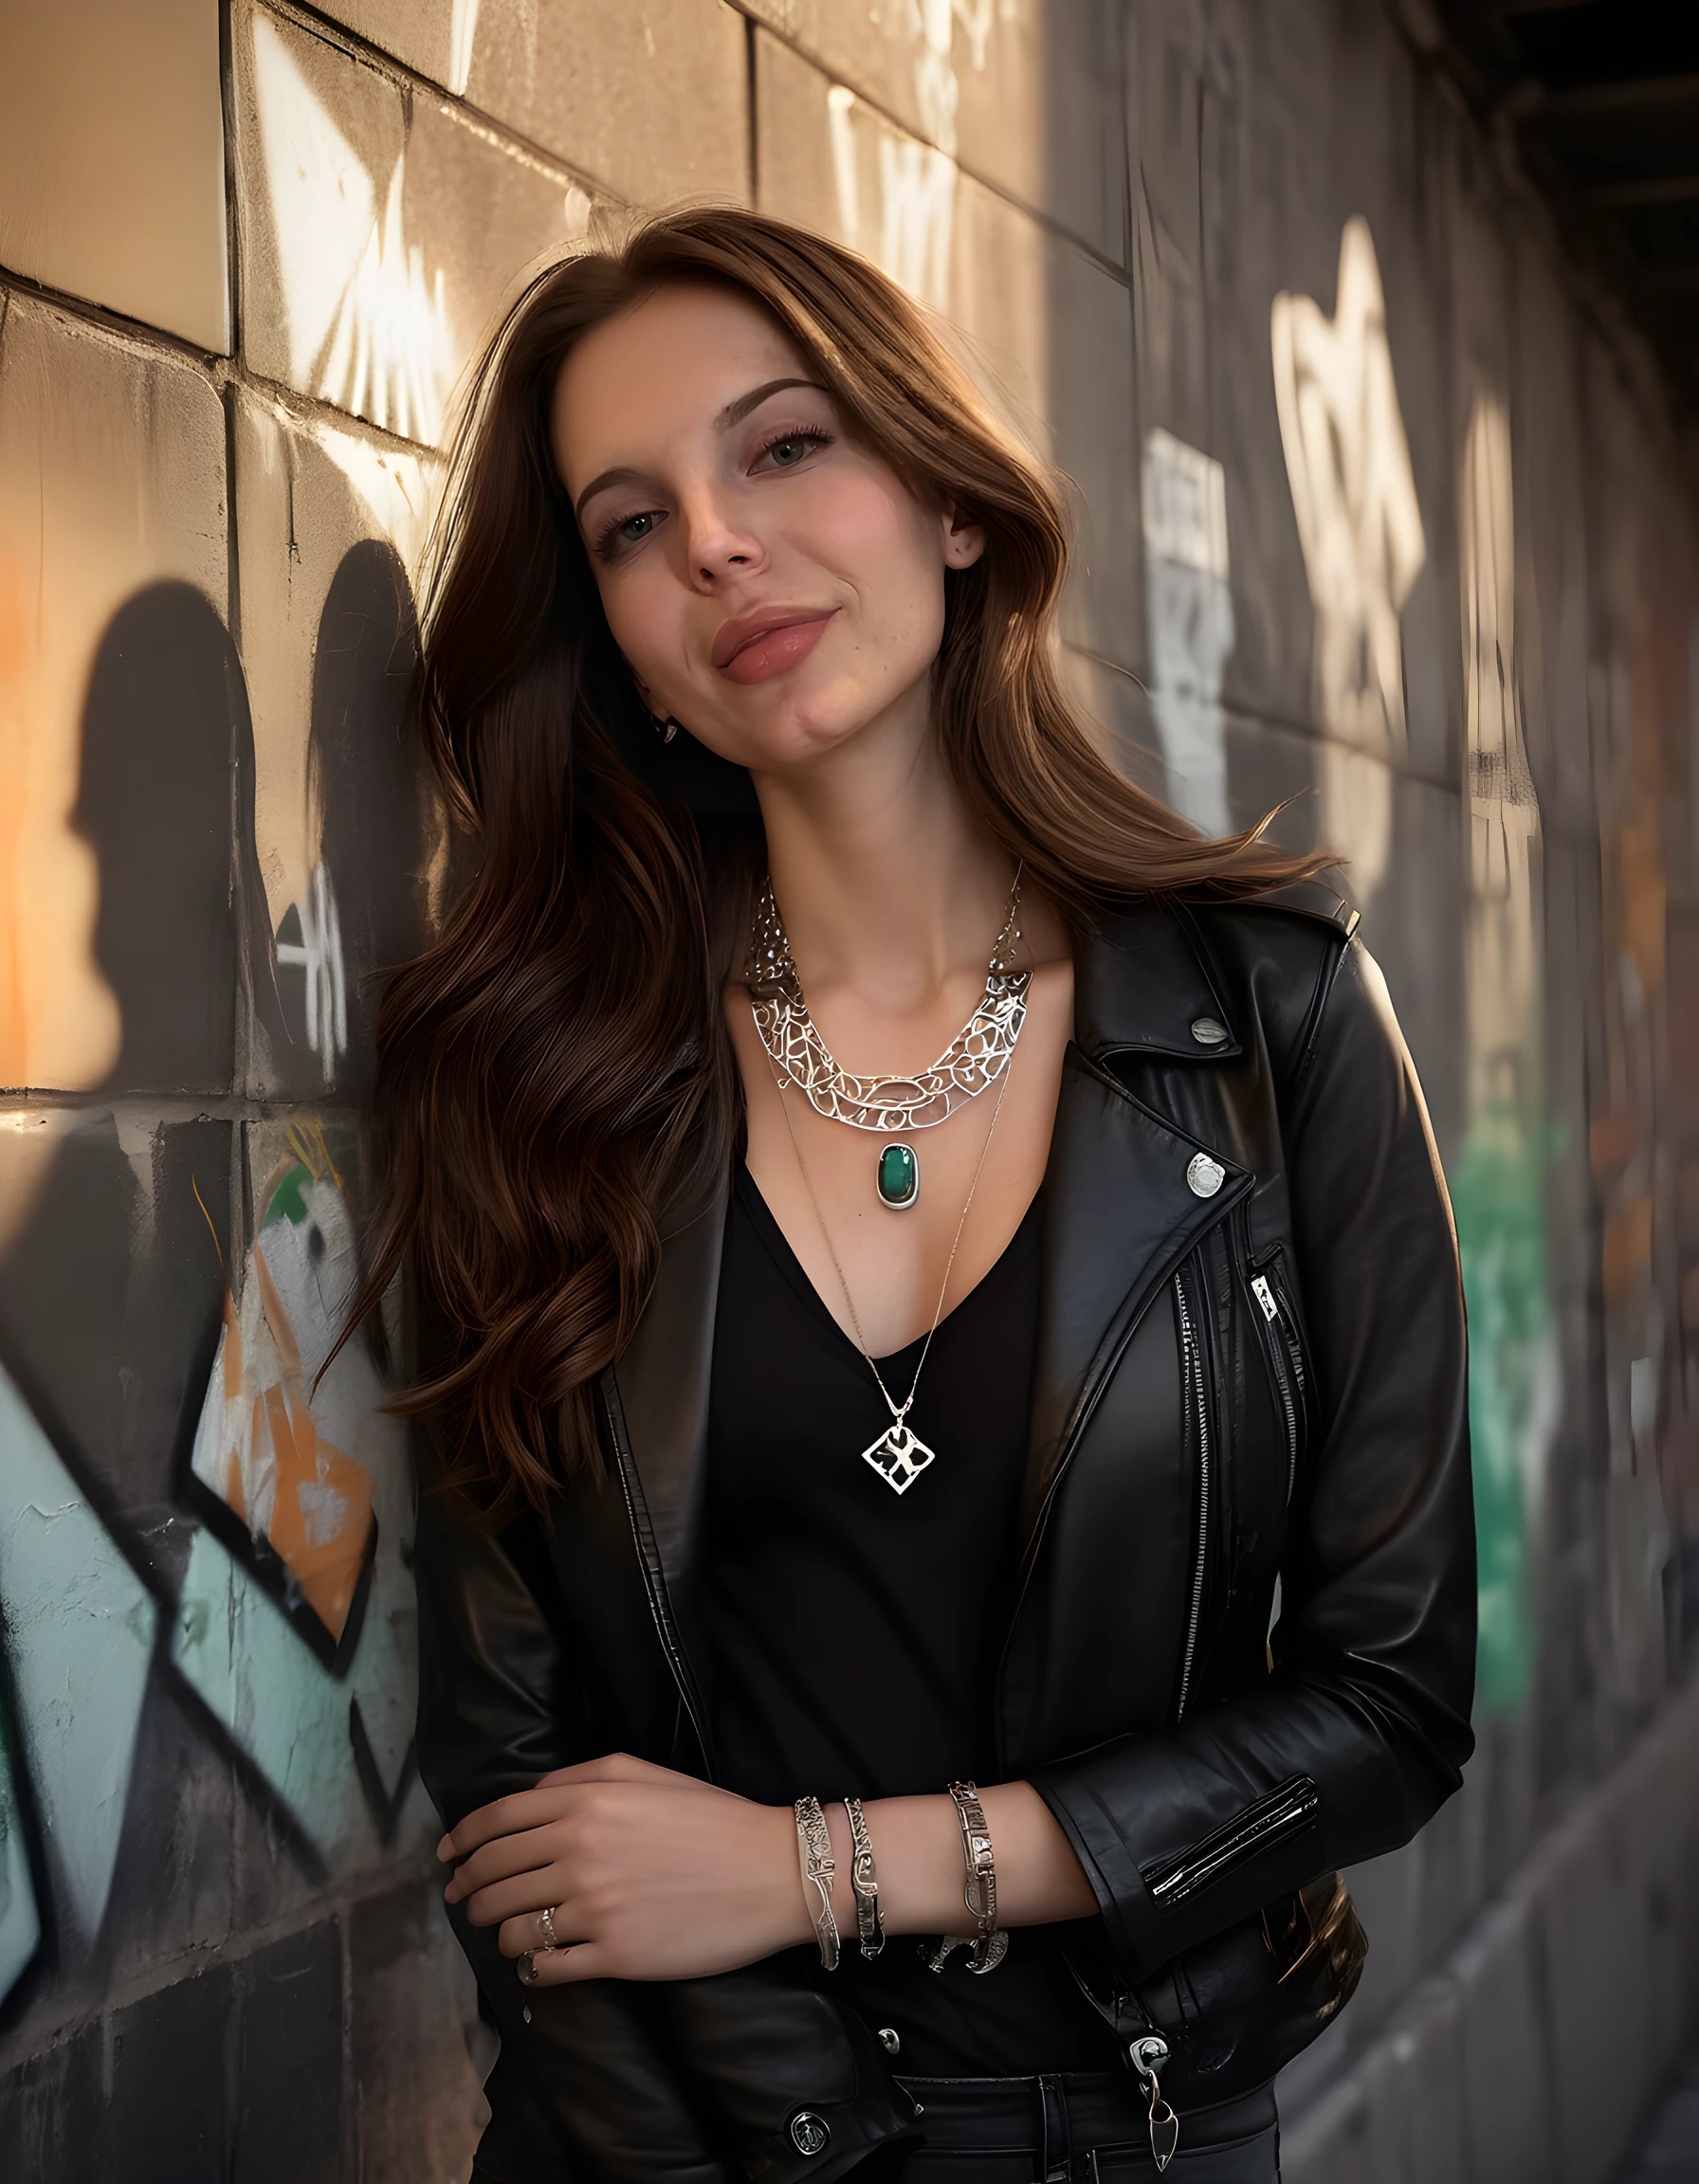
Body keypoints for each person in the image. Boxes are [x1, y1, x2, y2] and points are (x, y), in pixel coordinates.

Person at [353, 209, 1475, 2183]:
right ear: (613, 645)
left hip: (1140, 2132)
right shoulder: (530, 1079)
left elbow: (1385, 1706)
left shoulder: (1266, 1022)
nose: (708, 539)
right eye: (627, 524)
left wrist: (812, 1871)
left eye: (782, 449)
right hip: (675, 2145)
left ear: (948, 503)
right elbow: (521, 1803)